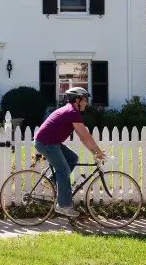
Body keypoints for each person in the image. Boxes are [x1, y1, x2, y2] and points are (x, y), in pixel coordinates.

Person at [34, 87, 105, 217]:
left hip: (50, 142)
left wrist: (94, 153)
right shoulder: (71, 112)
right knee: (64, 170)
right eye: (84, 100)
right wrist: (98, 151)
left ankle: (52, 180)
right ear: (76, 100)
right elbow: (85, 135)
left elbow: (82, 137)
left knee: (72, 158)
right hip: (47, 143)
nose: (86, 103)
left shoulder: (70, 111)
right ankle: (64, 206)